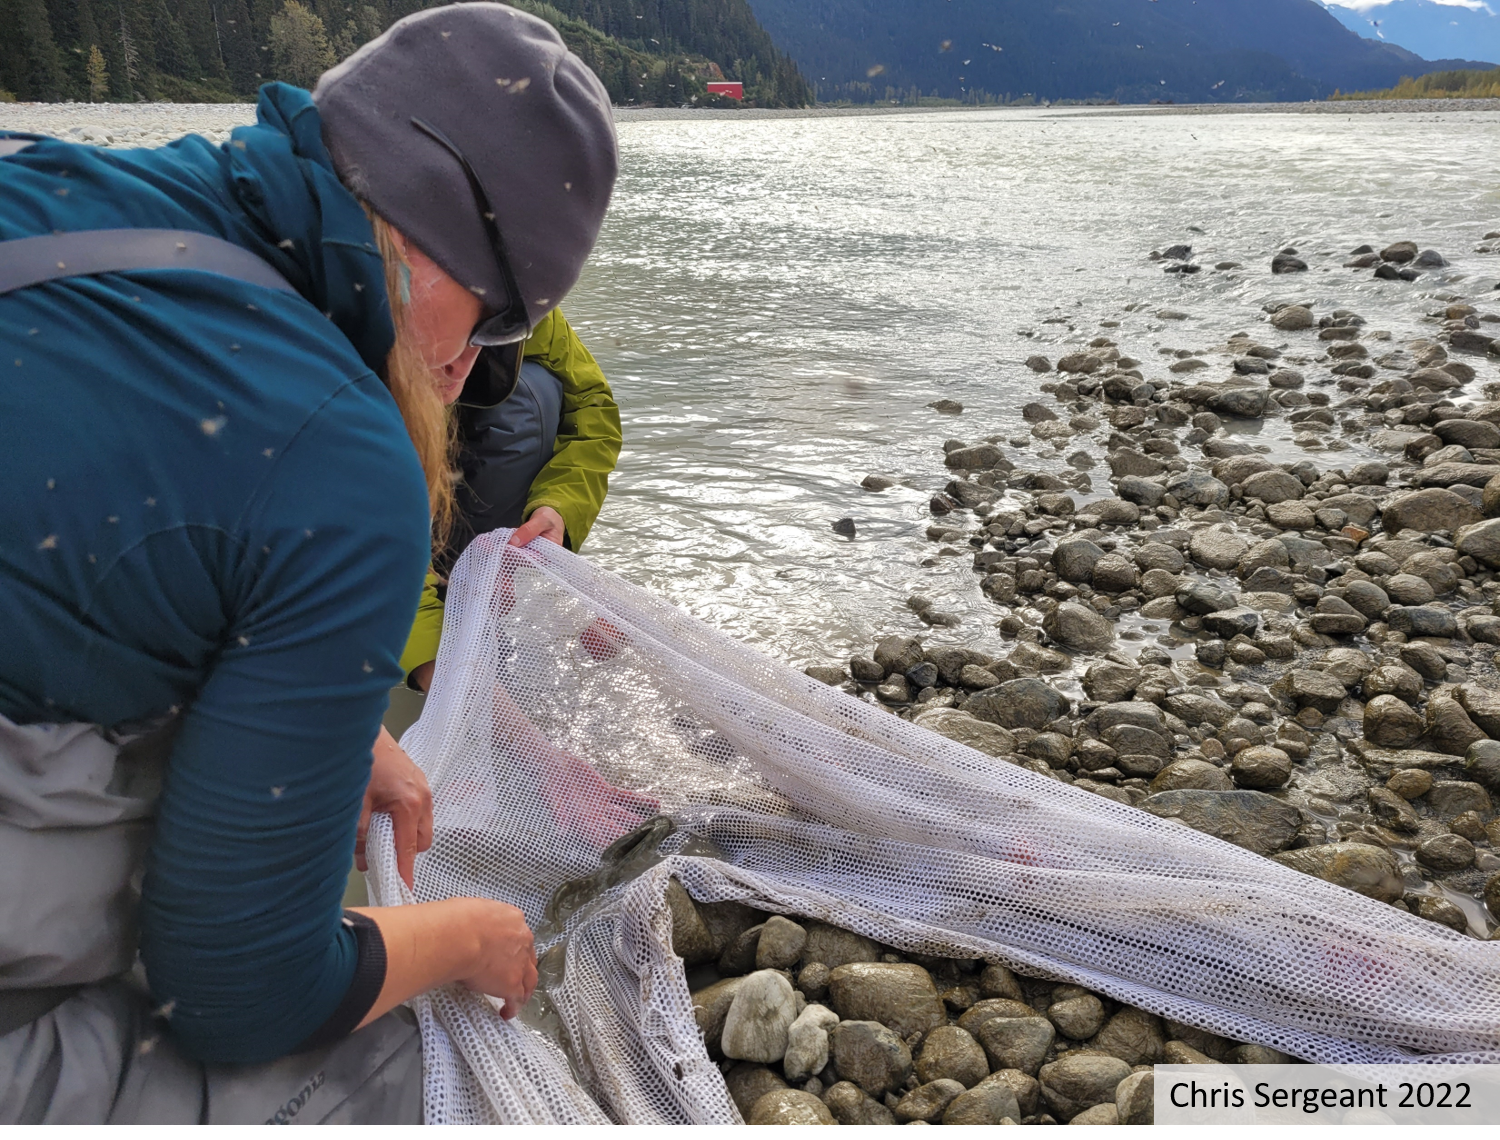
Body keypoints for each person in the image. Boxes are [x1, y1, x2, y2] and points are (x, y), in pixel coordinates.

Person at [0, 3, 616, 1123]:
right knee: (401, 1061)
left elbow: (115, 540)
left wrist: (347, 722)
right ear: (435, 256)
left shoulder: (58, 184)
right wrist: (468, 938)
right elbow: (236, 996)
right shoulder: (335, 464)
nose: (464, 371)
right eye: (491, 331)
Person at [398, 314, 622, 696]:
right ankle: (431, 611)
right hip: (391, 488)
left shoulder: (524, 304)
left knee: (534, 386)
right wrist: (428, 663)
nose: (462, 364)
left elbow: (591, 409)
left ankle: (475, 578)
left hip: (466, 493)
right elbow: (351, 524)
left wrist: (557, 508)